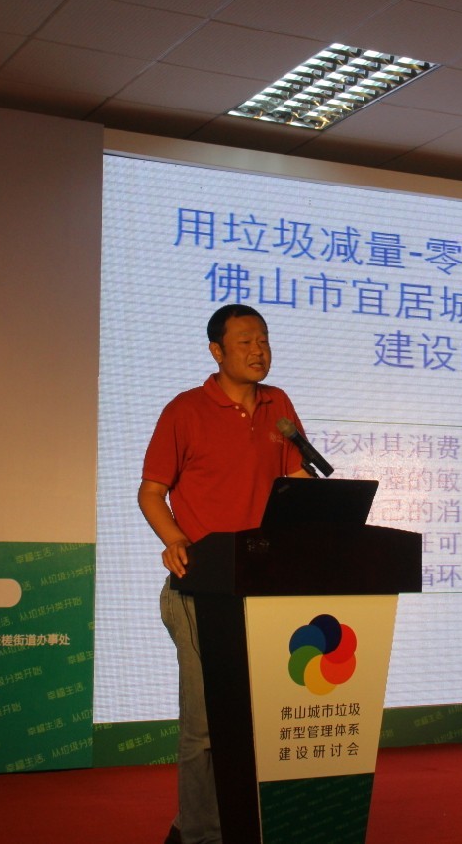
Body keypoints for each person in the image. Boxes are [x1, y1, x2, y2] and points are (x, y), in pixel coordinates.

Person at [138, 304, 311, 844]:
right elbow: (151, 492)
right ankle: (200, 835)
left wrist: (323, 506)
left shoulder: (279, 405)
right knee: (206, 726)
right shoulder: (185, 410)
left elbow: (296, 476)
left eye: (264, 340)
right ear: (216, 351)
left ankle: (227, 823)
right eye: (245, 342)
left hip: (263, 588)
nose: (259, 350)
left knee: (257, 720)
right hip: (202, 591)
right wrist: (175, 540)